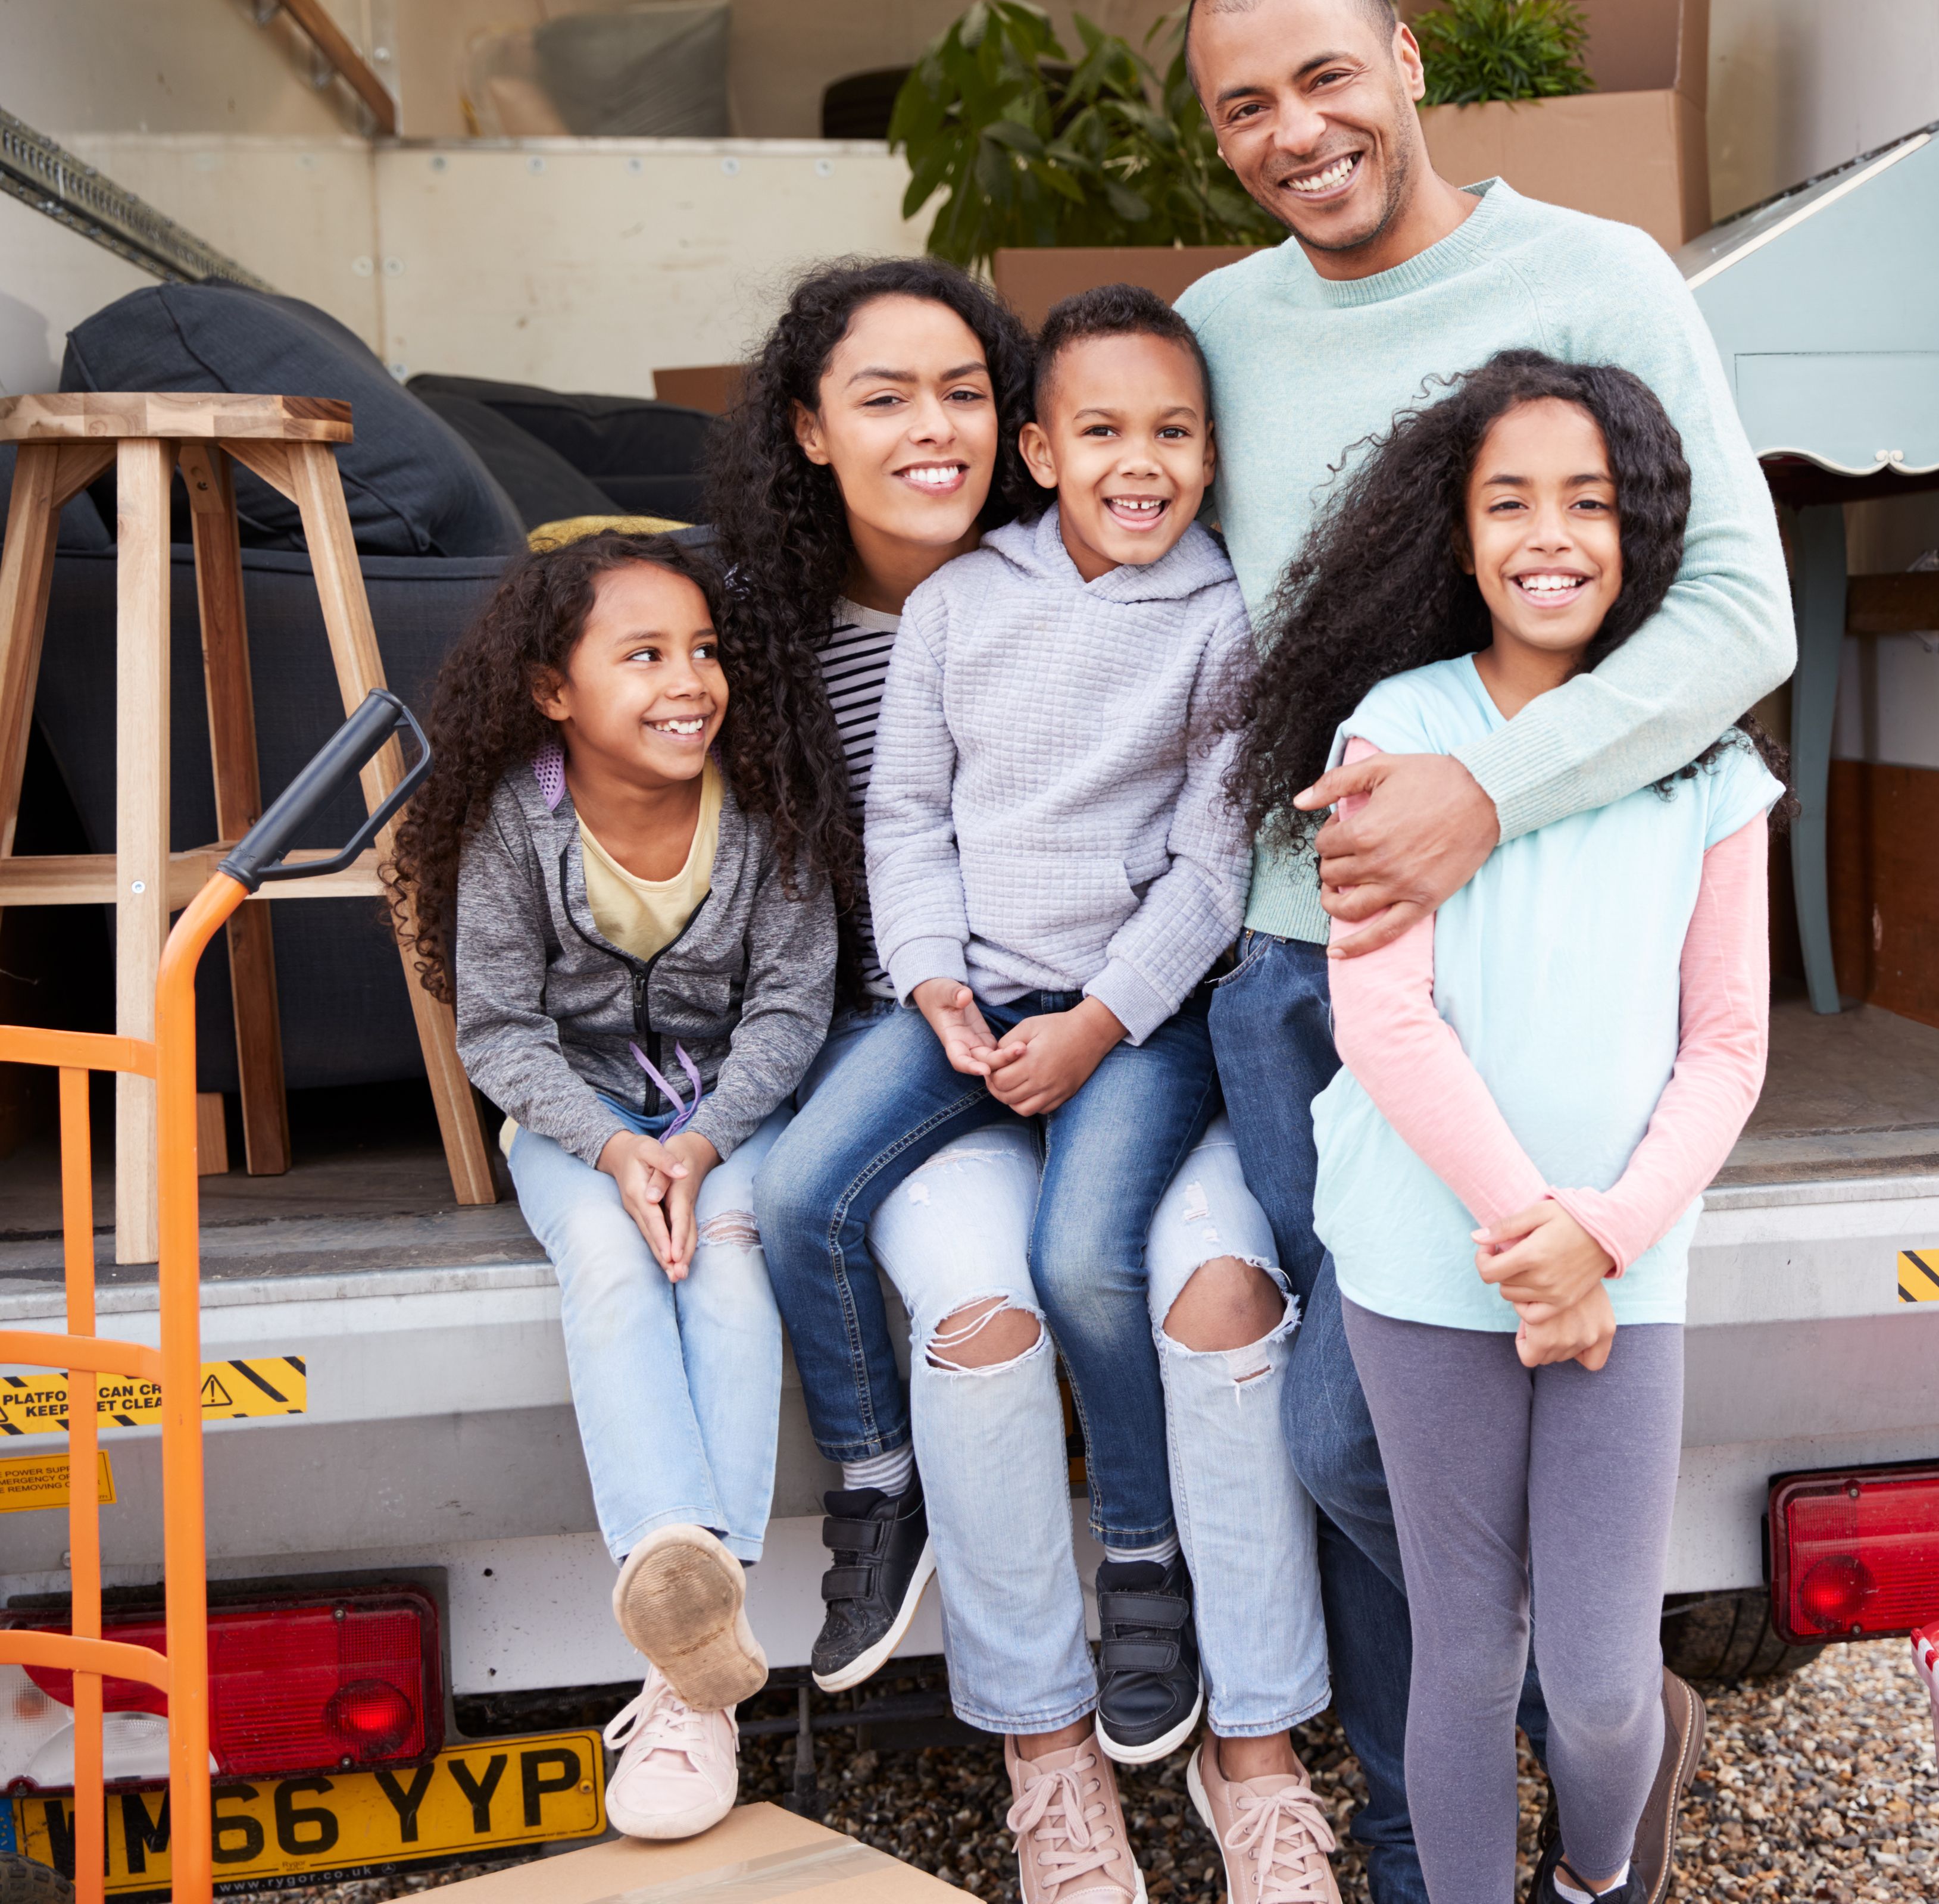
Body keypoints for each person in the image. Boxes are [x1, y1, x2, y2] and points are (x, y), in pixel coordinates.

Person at [1179, 0, 1794, 1902]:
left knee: (1488, 1449)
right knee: (1357, 1443)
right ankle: (1456, 1776)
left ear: (1408, 55)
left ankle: (1572, 1731)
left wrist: (1485, 794)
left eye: (1326, 78)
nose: (1299, 132)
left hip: (1550, 944)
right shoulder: (1216, 325)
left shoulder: (1596, 278)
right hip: (1309, 971)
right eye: (1246, 107)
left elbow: (1737, 619)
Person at [748, 279, 1337, 1904]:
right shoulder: (957, 606)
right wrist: (932, 976)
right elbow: (906, 817)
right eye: (1101, 434)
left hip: (1126, 1021)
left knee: (1094, 1258)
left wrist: (1095, 1021)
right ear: (1043, 449)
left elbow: (1219, 867)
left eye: (1174, 436)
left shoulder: (1224, 616)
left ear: (1217, 457)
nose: (1138, 464)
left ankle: (1144, 1570)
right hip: (962, 994)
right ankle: (881, 1494)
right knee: (802, 1192)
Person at [1232, 352, 1779, 1904]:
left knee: (1603, 1683)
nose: (1552, 535)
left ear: (1645, 530)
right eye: (1511, 501)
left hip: (1627, 1266)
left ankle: (1596, 1879)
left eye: (1590, 502)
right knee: (1466, 1654)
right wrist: (1531, 1235)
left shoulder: (1708, 762)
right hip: (1429, 1260)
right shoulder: (1394, 729)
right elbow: (1384, 1015)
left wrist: (1596, 1237)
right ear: (1459, 535)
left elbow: (1730, 1040)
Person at [392, 531, 844, 1843]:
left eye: (703, 651)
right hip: (577, 1126)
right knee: (610, 1261)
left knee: (727, 1257)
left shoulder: (761, 811)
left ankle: (682, 1667)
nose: (687, 681)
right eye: (642, 655)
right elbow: (499, 1031)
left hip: (732, 1121)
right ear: (553, 690)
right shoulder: (510, 830)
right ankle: (692, 1617)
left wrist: (699, 1147)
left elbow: (791, 1007)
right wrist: (610, 1145)